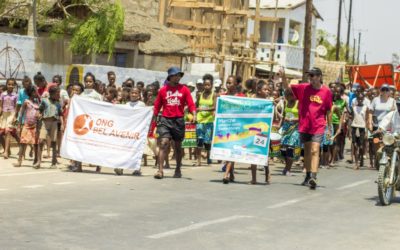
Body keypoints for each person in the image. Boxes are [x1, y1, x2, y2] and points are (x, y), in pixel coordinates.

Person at [282, 67, 333, 189]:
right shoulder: (303, 88)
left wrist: (329, 127)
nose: (311, 78)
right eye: (310, 76)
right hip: (305, 125)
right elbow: (287, 88)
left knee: (315, 149)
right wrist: (283, 76)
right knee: (308, 151)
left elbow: (328, 110)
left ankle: (313, 177)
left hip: (318, 125)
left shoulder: (326, 92)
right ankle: (308, 175)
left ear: (319, 77)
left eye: (313, 75)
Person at [153, 67, 196, 179]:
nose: (178, 77)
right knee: (163, 143)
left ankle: (177, 169)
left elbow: (191, 104)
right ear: (170, 77)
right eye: (175, 75)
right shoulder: (163, 90)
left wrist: (194, 114)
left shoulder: (184, 89)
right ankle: (160, 170)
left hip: (178, 121)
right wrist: (154, 117)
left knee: (177, 146)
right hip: (165, 120)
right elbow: (157, 105)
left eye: (179, 75)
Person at [114, 87, 147, 176]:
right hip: (128, 130)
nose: (133, 95)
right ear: (129, 94)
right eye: (132, 93)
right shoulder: (127, 105)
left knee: (136, 150)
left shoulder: (141, 105)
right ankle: (120, 168)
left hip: (138, 131)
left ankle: (137, 168)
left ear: (139, 95)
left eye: (136, 93)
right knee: (125, 149)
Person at [222, 75, 246, 184]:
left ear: (236, 84)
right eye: (226, 83)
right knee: (228, 151)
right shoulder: (223, 97)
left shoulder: (241, 97)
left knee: (232, 150)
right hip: (225, 128)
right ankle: (231, 173)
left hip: (237, 128)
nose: (227, 85)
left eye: (230, 83)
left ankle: (226, 174)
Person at [367, 83, 397, 169]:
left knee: (386, 144)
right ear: (380, 91)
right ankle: (378, 159)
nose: (384, 91)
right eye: (383, 89)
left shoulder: (392, 101)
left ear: (389, 91)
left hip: (387, 128)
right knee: (376, 144)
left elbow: (395, 113)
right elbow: (370, 112)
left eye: (386, 90)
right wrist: (369, 123)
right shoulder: (375, 100)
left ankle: (384, 161)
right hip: (376, 126)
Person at [36, 86, 62, 169]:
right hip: (45, 122)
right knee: (41, 141)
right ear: (52, 93)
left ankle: (53, 162)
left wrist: (63, 124)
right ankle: (38, 161)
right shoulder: (44, 101)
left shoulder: (58, 103)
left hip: (54, 122)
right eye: (57, 94)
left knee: (54, 142)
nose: (58, 95)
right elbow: (40, 109)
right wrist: (38, 114)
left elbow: (60, 114)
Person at [15, 85, 40, 167]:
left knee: (36, 143)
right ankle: (19, 160)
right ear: (31, 93)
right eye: (35, 91)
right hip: (26, 125)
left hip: (35, 125)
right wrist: (19, 125)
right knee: (23, 142)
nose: (37, 93)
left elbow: (41, 112)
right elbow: (21, 113)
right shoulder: (26, 102)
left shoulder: (38, 103)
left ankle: (36, 160)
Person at [195, 74, 216, 166]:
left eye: (208, 85)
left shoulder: (214, 95)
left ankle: (208, 157)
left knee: (207, 141)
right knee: (199, 140)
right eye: (205, 85)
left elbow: (214, 107)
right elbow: (196, 106)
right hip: (200, 120)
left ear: (211, 85)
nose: (206, 86)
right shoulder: (200, 94)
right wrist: (194, 114)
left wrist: (203, 109)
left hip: (209, 121)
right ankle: (198, 160)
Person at [280, 88, 300, 176]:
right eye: (286, 96)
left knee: (290, 148)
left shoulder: (298, 103)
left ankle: (288, 169)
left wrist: (292, 119)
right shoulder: (286, 102)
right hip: (285, 127)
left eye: (289, 96)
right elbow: (283, 115)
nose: (287, 97)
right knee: (282, 149)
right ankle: (286, 166)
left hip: (295, 128)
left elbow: (303, 117)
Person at [0, 78, 18, 159]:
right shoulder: (3, 94)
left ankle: (6, 152)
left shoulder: (15, 95)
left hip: (11, 114)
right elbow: (1, 105)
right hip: (4, 115)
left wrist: (15, 117)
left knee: (8, 132)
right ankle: (7, 149)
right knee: (1, 133)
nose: (10, 86)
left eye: (12, 85)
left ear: (14, 86)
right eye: (9, 84)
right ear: (6, 85)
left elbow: (16, 107)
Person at [351, 92, 368, 169]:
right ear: (357, 99)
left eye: (361, 99)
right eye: (359, 99)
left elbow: (367, 119)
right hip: (354, 127)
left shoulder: (365, 108)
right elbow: (352, 118)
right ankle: (356, 163)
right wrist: (349, 130)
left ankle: (361, 158)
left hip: (362, 128)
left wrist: (367, 131)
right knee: (355, 145)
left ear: (363, 99)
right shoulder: (354, 107)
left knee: (361, 146)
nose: (360, 100)